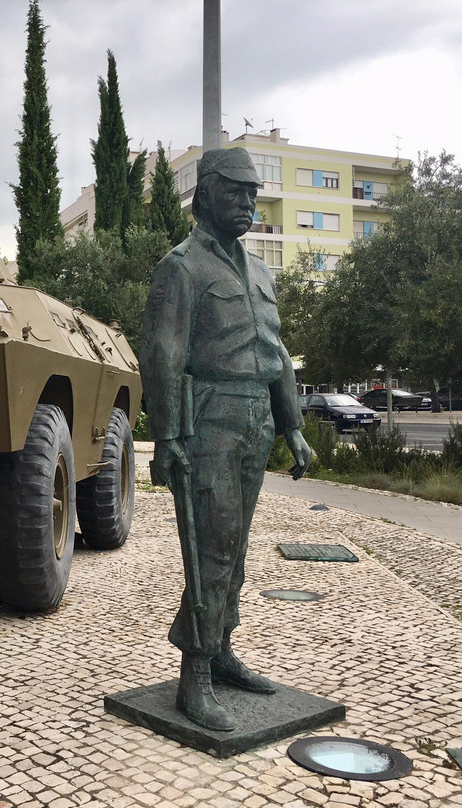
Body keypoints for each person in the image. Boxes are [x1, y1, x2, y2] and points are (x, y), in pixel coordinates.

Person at [139, 147, 312, 732]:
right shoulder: (181, 267)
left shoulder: (259, 271)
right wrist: (165, 436)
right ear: (207, 191)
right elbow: (162, 354)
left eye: (254, 194)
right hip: (209, 417)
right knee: (209, 548)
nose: (248, 203)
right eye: (238, 192)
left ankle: (223, 649)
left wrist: (292, 426)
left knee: (235, 550)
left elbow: (277, 354)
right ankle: (196, 674)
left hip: (256, 417)